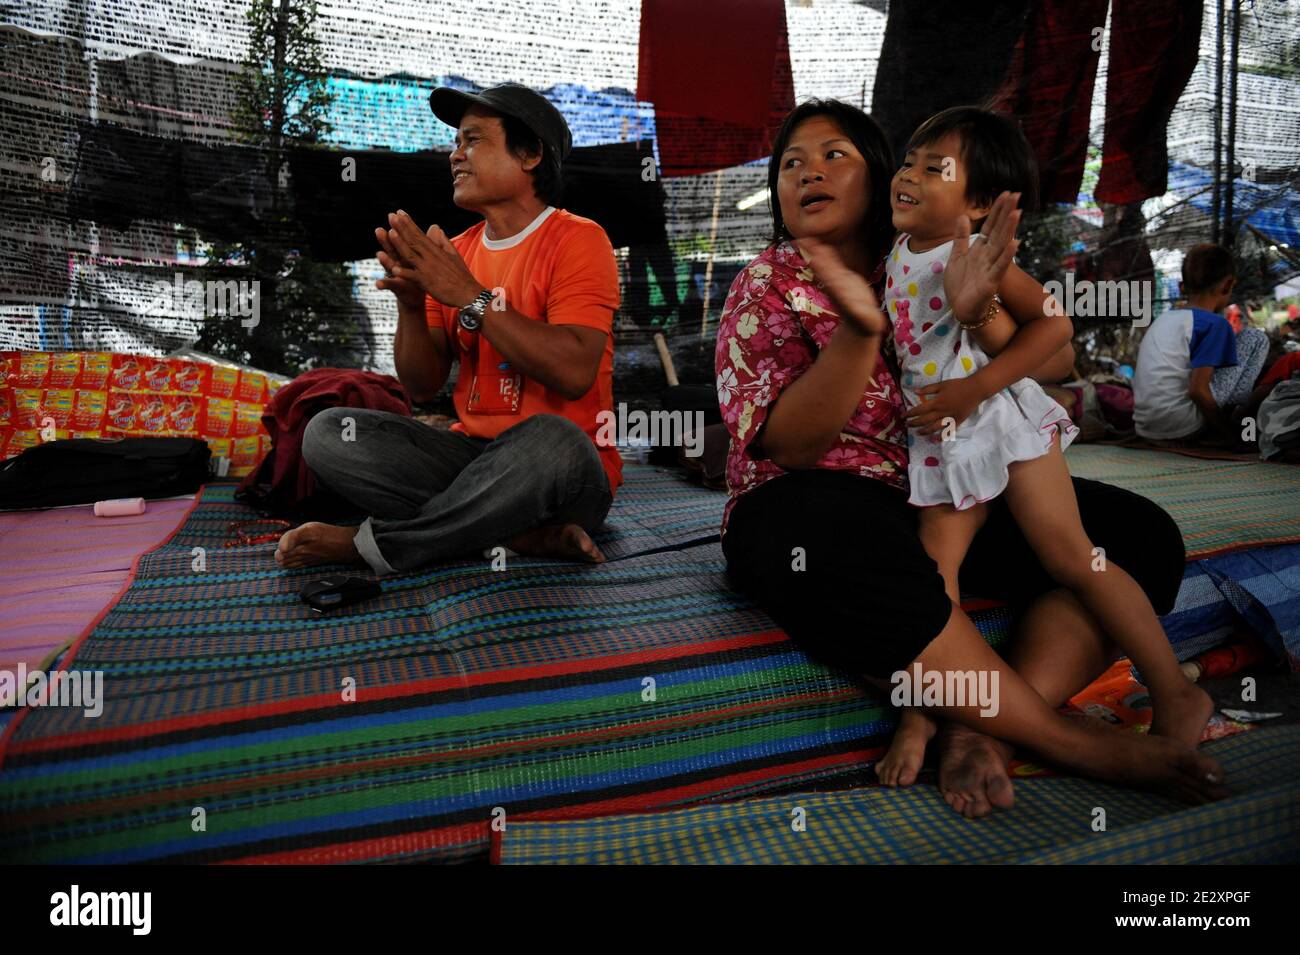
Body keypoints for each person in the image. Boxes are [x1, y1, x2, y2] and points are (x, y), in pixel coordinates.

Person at [716, 98, 1226, 818]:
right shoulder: (766, 283)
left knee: (1139, 536)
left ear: (885, 178)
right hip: (828, 506)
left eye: (834, 155)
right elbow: (793, 446)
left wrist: (977, 308)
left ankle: (977, 725)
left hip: (952, 482)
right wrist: (860, 330)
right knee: (809, 530)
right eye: (790, 163)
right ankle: (1063, 737)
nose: (806, 172)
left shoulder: (931, 252)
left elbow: (1055, 361)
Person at [865, 105, 1212, 784]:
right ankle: (925, 708)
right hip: (940, 437)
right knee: (937, 570)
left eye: (933, 167)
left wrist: (973, 386)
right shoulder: (899, 253)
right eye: (908, 159)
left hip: (997, 418)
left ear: (978, 205)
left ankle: (1175, 687)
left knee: (1074, 554)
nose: (907, 173)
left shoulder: (973, 257)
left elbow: (1054, 336)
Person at [276, 83, 621, 573]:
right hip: (473, 458)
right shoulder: (453, 253)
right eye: (456, 143)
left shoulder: (580, 240)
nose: (455, 155)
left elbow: (573, 371)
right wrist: (413, 307)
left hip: (563, 473)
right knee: (329, 432)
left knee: (554, 438)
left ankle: (372, 546)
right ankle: (516, 534)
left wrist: (468, 295)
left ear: (530, 154)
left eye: (473, 140)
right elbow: (422, 384)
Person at [1133, 243, 1269, 443]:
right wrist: (1228, 435)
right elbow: (1198, 391)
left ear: (1182, 287)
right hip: (1183, 424)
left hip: (1146, 427)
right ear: (1228, 284)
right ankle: (1238, 419)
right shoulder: (1214, 325)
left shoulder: (1163, 320)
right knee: (1256, 338)